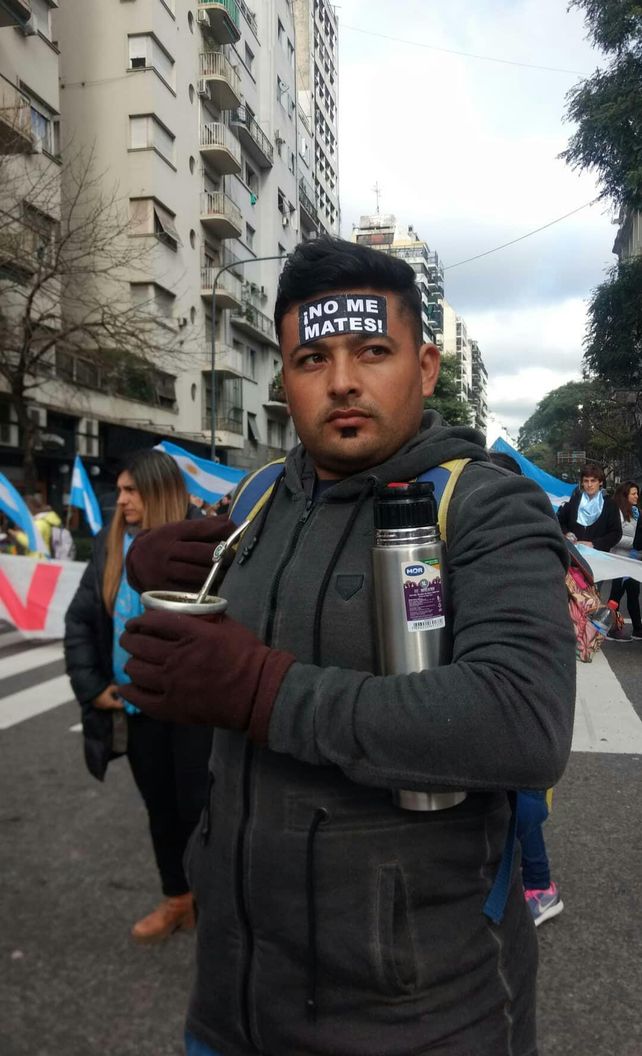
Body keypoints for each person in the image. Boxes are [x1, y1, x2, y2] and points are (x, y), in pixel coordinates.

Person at [121, 237, 576, 1056]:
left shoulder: (487, 509)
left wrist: (264, 692)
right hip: (232, 1002)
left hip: (422, 1013)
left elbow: (521, 720)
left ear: (427, 367)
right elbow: (202, 652)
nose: (341, 381)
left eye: (373, 352)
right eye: (311, 358)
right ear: (285, 379)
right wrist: (149, 565)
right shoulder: (260, 497)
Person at [64, 449, 213, 943]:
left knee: (202, 810)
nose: (121, 500)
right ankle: (177, 899)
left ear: (159, 491)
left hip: (194, 711)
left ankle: (215, 907)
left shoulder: (200, 543)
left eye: (131, 491)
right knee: (160, 809)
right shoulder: (110, 546)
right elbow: (81, 622)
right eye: (120, 490)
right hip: (137, 707)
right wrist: (92, 688)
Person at [488, 451, 564, 926]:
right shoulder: (521, 534)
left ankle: (539, 885)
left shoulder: (523, 539)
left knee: (524, 798)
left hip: (527, 691)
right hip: (523, 688)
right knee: (516, 794)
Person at [556, 461, 621, 552]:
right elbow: (561, 522)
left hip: (598, 556)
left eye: (593, 481)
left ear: (600, 482)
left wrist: (594, 544)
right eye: (586, 481)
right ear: (582, 483)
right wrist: (567, 533)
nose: (589, 485)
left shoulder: (610, 504)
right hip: (574, 554)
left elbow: (616, 533)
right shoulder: (575, 501)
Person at [606, 480, 642, 642]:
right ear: (625, 495)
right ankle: (610, 627)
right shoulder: (616, 512)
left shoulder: (636, 512)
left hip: (633, 561)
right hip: (619, 561)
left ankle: (637, 629)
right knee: (615, 596)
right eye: (634, 493)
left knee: (633, 594)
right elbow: (614, 537)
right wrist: (635, 543)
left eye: (637, 493)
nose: (637, 496)